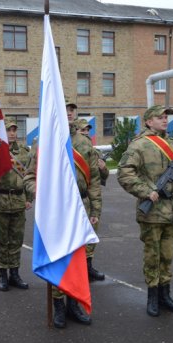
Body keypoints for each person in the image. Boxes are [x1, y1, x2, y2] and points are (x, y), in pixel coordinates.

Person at [23, 98, 100, 328]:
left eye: (72, 109)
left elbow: (94, 180)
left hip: (81, 208)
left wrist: (95, 209)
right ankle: (58, 304)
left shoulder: (85, 143)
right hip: (55, 210)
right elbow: (28, 177)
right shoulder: (44, 142)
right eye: (64, 109)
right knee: (58, 256)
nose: (68, 113)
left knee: (77, 255)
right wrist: (39, 191)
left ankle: (73, 303)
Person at [117, 105, 173, 317]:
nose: (164, 120)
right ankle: (152, 296)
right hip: (152, 211)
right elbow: (124, 173)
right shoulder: (140, 145)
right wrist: (145, 190)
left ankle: (165, 295)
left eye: (166, 117)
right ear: (149, 121)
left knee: (167, 255)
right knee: (153, 255)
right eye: (160, 117)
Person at [0, 118, 32, 292]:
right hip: (0, 201)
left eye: (14, 130)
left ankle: (14, 274)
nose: (13, 133)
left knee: (16, 241)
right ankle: (3, 275)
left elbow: (30, 174)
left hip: (18, 201)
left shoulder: (24, 151)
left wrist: (29, 197)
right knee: (1, 241)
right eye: (9, 130)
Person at [75, 119, 107, 281]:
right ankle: (79, 272)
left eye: (88, 130)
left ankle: (88, 267)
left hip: (88, 199)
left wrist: (103, 168)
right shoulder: (71, 147)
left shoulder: (92, 150)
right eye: (83, 130)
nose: (86, 132)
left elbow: (101, 178)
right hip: (73, 202)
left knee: (90, 236)